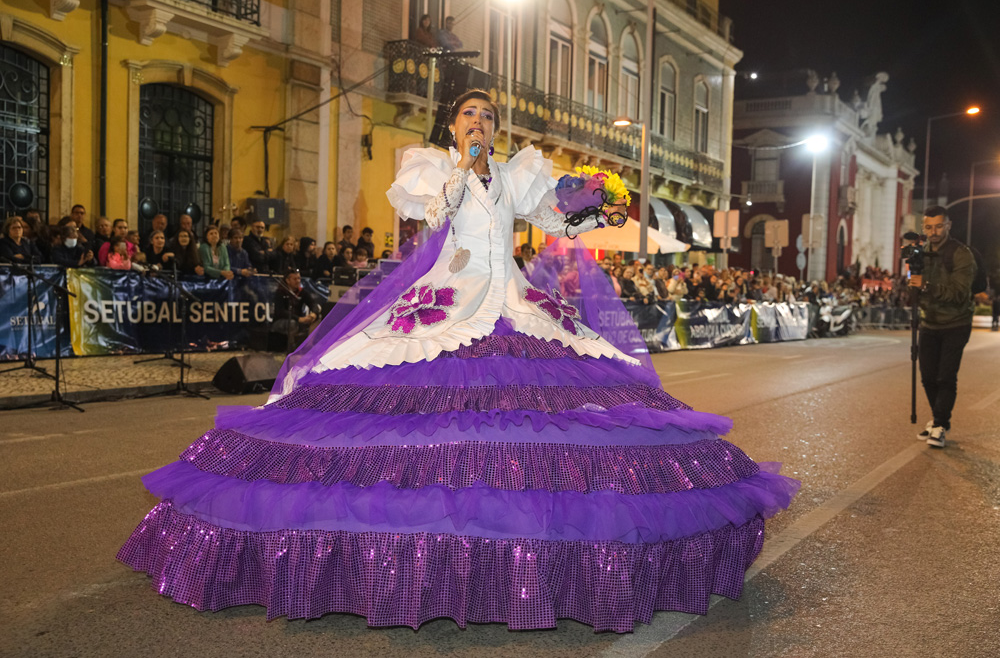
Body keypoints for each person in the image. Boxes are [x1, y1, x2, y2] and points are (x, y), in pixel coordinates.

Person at [119, 88, 797, 633]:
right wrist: (462, 169)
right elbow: (434, 219)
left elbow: (559, 221)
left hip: (514, 301)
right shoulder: (429, 166)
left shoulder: (517, 172)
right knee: (384, 401)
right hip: (445, 301)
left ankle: (519, 552)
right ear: (453, 123)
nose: (483, 123)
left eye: (490, 117)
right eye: (472, 114)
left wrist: (593, 197)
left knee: (559, 404)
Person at [908, 207, 977, 448]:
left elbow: (959, 294)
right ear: (923, 227)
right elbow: (915, 288)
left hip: (957, 322)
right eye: (928, 227)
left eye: (938, 226)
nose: (933, 231)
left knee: (945, 376)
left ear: (948, 225)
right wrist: (912, 288)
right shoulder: (921, 253)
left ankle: (938, 423)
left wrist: (927, 286)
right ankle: (939, 421)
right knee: (927, 376)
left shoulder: (961, 254)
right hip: (930, 322)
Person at [270, 268, 320, 347]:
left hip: (299, 320)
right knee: (292, 323)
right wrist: (298, 318)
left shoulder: (302, 292)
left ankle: (309, 346)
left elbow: (313, 303)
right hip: (281, 321)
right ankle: (292, 348)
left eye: (299, 278)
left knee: (317, 318)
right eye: (295, 279)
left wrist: (313, 314)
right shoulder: (281, 292)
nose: (298, 281)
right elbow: (281, 312)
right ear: (288, 280)